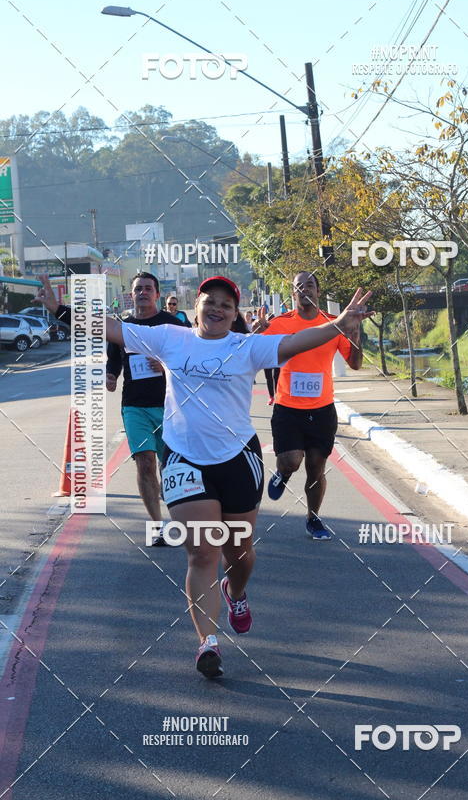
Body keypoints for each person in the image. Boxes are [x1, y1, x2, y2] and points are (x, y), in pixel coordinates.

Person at [103, 276, 372, 678]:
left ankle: (236, 591)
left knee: (239, 555)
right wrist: (62, 309)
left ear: (235, 314)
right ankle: (207, 643)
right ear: (197, 305)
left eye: (226, 306)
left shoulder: (246, 347)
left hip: (236, 460)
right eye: (210, 302)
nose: (217, 309)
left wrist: (340, 323)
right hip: (184, 460)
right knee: (202, 552)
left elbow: (297, 342)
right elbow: (112, 329)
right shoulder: (169, 338)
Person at [261, 271, 364, 540]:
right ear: (293, 294)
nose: (305, 289)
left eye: (310, 285)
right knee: (292, 461)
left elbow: (354, 364)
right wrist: (257, 332)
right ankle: (282, 473)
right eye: (299, 286)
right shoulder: (281, 323)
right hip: (288, 408)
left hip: (321, 409)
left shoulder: (334, 324)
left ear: (318, 292)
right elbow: (254, 352)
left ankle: (314, 519)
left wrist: (355, 332)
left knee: (316, 467)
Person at [106, 273, 183, 546]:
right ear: (131, 293)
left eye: (148, 289)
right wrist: (111, 375)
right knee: (145, 462)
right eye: (138, 288)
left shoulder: (173, 325)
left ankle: (177, 511)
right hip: (134, 405)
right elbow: (114, 359)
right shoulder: (124, 328)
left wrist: (164, 367)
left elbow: (187, 364)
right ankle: (156, 525)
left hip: (169, 406)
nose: (142, 293)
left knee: (169, 466)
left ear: (157, 294)